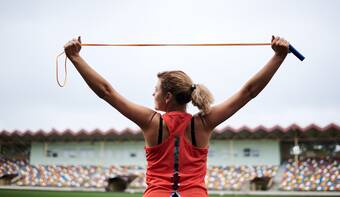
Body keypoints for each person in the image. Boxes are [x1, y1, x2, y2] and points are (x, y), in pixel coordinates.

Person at [64, 35, 289, 197]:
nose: (153, 92)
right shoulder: (204, 122)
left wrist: (75, 57)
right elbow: (248, 92)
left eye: (157, 89)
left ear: (168, 96)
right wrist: (278, 57)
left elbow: (106, 92)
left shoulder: (151, 121)